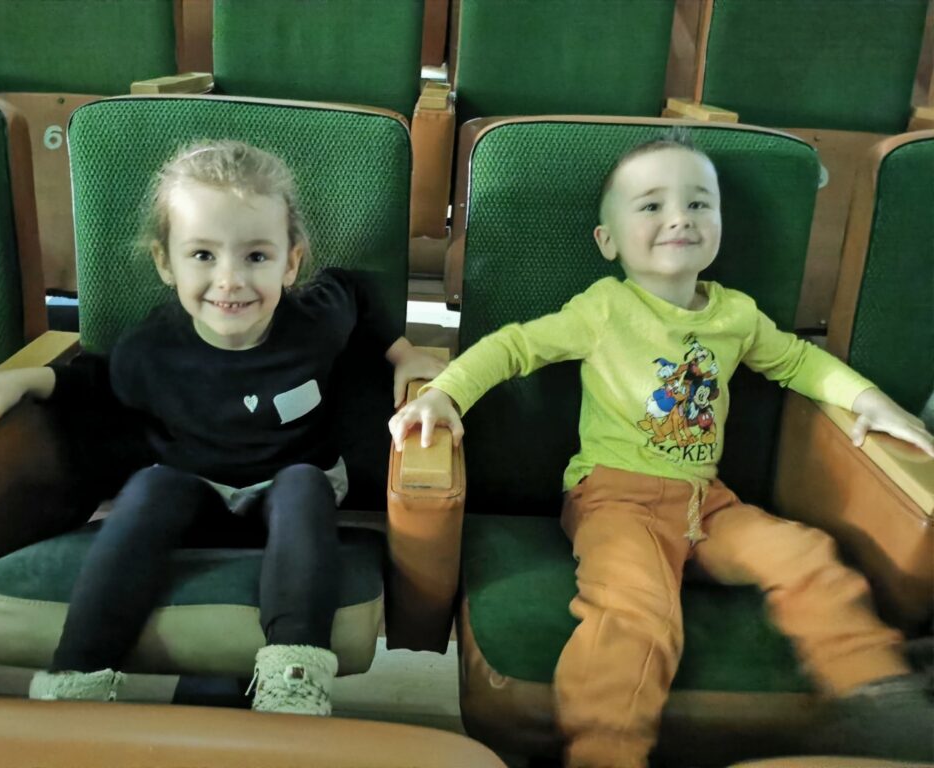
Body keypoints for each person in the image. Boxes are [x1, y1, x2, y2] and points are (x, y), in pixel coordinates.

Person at [388, 131, 934, 767]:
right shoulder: (605, 308)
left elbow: (798, 361)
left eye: (699, 203)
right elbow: (514, 347)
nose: (680, 217)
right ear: (608, 241)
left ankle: (877, 696)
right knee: (636, 614)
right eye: (651, 206)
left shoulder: (737, 315)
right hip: (617, 498)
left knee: (806, 556)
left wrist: (869, 400)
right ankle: (605, 752)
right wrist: (445, 395)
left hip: (710, 504)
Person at [0, 140, 445, 715]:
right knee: (150, 486)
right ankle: (78, 672)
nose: (230, 280)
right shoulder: (154, 348)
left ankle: (294, 673)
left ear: (291, 263)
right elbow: (98, 382)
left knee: (303, 484)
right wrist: (27, 380)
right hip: (194, 488)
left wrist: (403, 353)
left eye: (256, 256)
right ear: (165, 262)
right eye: (202, 255)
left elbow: (356, 291)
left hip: (294, 487)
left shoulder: (315, 321)